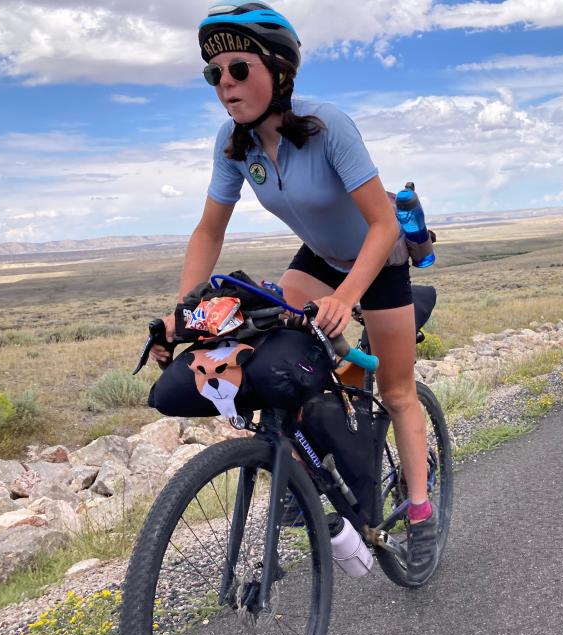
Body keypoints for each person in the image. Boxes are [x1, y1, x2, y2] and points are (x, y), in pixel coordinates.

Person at [151, 1, 438, 582]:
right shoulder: (235, 146)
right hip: (317, 259)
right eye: (214, 76)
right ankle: (302, 463)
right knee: (285, 351)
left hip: (376, 260)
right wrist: (187, 309)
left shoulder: (328, 125)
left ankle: (421, 512)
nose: (225, 86)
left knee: (400, 390)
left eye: (239, 70)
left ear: (278, 71)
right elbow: (210, 229)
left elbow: (382, 225)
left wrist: (344, 296)